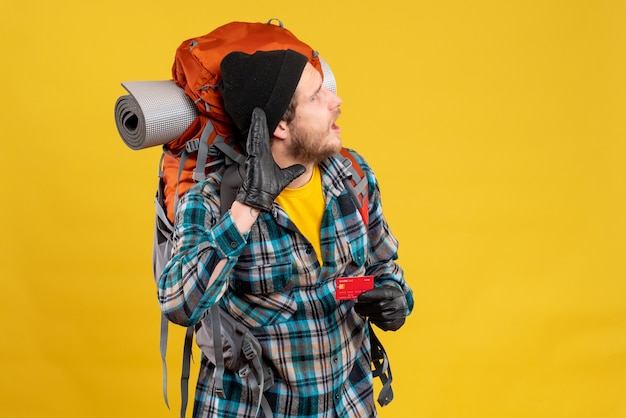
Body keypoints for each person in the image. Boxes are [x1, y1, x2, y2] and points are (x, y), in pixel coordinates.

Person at [158, 48, 414, 417]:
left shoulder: (353, 176)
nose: (336, 101)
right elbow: (178, 302)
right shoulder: (214, 201)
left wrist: (397, 299)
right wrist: (248, 207)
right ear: (280, 125)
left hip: (349, 405)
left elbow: (384, 265)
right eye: (316, 96)